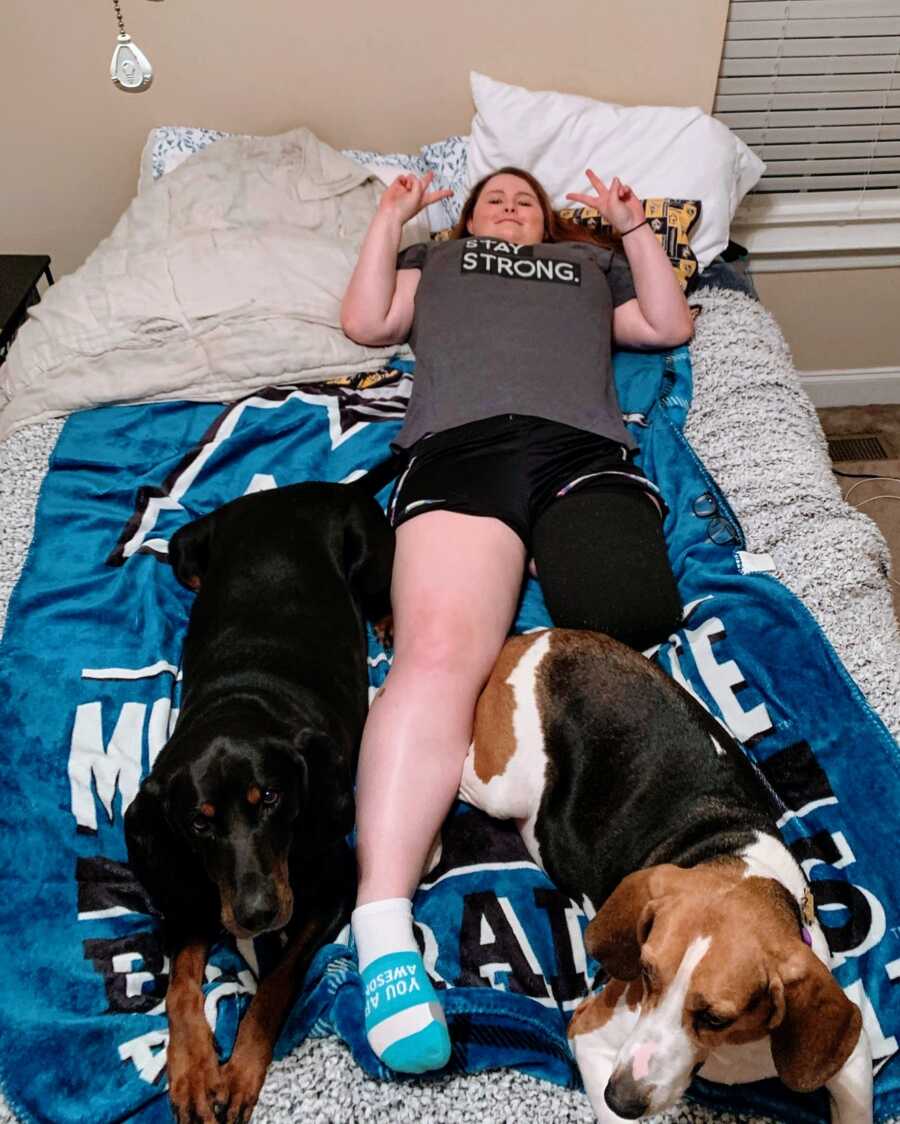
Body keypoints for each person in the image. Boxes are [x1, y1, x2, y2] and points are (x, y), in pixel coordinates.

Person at [340, 166, 693, 1075]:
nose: (508, 207)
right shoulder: (441, 261)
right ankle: (381, 923)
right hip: (466, 447)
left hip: (582, 446)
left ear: (548, 222)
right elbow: (366, 322)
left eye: (525, 200)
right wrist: (388, 219)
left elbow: (668, 324)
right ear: (466, 218)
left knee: (630, 617)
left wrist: (627, 227)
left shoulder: (587, 272)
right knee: (440, 652)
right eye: (493, 198)